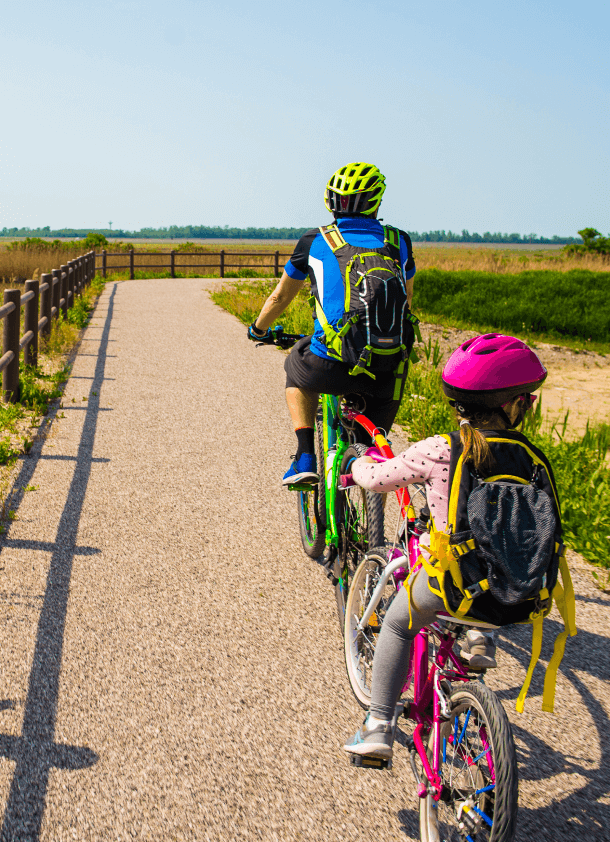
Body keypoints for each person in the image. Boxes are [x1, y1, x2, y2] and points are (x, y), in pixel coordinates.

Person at [343, 333, 563, 760]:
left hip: (451, 584)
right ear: (516, 405)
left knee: (396, 623)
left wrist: (355, 464)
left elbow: (376, 481)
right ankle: (479, 640)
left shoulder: (441, 449)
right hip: (519, 594)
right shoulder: (533, 458)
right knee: (488, 565)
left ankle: (379, 725)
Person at [248, 162, 416, 485]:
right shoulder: (400, 242)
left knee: (295, 365)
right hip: (389, 370)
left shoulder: (315, 240)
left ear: (330, 201)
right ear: (375, 202)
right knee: (369, 453)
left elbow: (280, 298)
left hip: (331, 365)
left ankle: (305, 457)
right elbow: (407, 303)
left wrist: (257, 329)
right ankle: (366, 489)